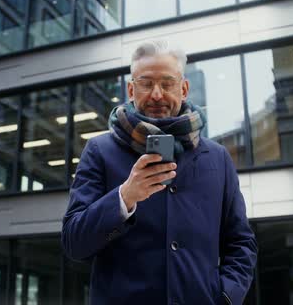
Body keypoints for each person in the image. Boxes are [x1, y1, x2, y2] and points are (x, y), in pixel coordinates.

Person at [61, 40, 257, 305]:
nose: (156, 94)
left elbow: (241, 243)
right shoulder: (100, 150)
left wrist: (225, 296)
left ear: (184, 88)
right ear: (131, 89)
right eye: (145, 83)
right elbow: (74, 243)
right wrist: (124, 198)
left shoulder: (217, 157)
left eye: (167, 84)